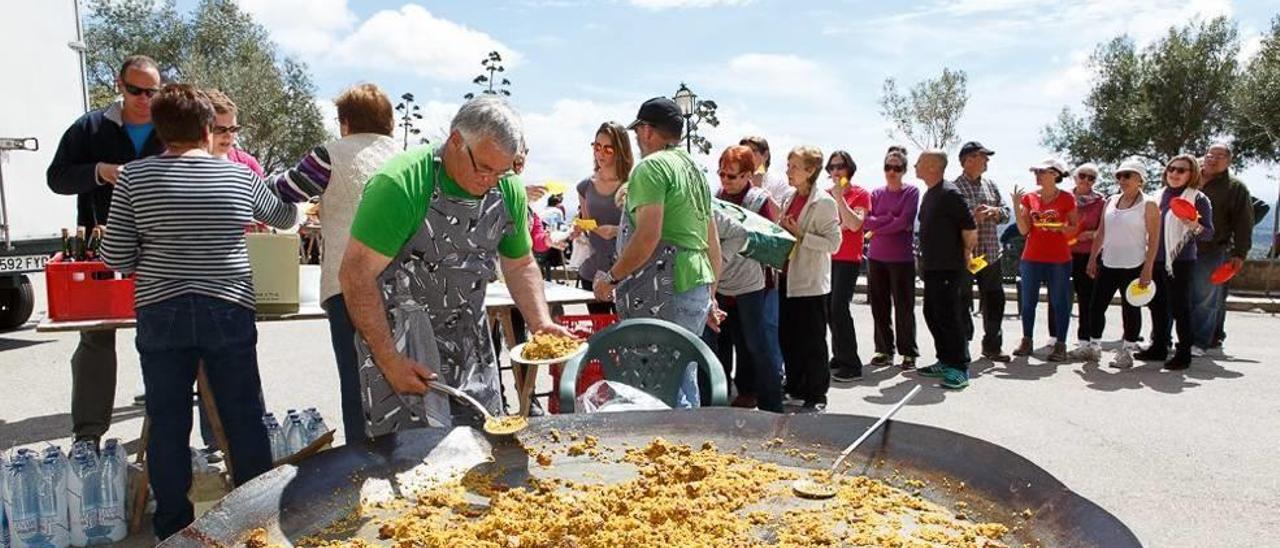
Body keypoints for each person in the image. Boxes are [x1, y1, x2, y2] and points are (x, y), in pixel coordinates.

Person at [99, 84, 296, 539]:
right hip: (227, 306)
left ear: (159, 129)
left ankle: (173, 526)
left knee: (169, 421)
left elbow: (116, 256)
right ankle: (256, 521)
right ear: (208, 129)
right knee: (243, 416)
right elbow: (284, 218)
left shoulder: (134, 178)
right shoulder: (238, 176)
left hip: (161, 307)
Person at [339, 96, 573, 434]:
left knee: (481, 450)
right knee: (409, 458)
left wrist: (540, 323)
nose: (492, 181)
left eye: (503, 171)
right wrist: (389, 361)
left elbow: (520, 263)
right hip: (401, 343)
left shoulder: (507, 189)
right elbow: (355, 275)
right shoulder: (400, 184)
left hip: (470, 342)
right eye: (484, 168)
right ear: (455, 142)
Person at [268, 83, 399, 445]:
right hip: (404, 285)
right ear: (388, 121)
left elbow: (283, 189)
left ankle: (361, 462)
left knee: (356, 383)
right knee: (402, 376)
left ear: (344, 123)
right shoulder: (408, 157)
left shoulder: (330, 154)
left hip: (348, 285)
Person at [46, 55, 165, 448]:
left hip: (159, 248)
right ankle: (88, 434)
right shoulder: (90, 127)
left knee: (163, 335)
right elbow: (57, 177)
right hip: (102, 249)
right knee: (97, 339)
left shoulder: (169, 127)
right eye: (136, 91)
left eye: (153, 92)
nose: (145, 99)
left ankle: (164, 425)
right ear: (120, 84)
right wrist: (99, 171)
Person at [594, 97, 721, 340]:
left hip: (663, 290)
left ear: (647, 130)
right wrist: (710, 297)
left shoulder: (651, 167)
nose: (638, 138)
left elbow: (647, 237)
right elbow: (711, 241)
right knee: (683, 372)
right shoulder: (695, 170)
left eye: (638, 131)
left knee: (654, 376)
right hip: (696, 286)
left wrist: (610, 280)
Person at [709, 145, 783, 412]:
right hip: (721, 283)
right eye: (722, 174)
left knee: (755, 344)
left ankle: (771, 406)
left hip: (750, 283)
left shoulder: (758, 199)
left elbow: (768, 238)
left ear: (747, 175)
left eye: (732, 176)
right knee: (722, 344)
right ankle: (724, 401)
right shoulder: (716, 196)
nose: (725, 181)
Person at [777, 146, 842, 411]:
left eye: (794, 166)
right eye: (788, 165)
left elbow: (834, 244)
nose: (788, 171)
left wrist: (801, 234)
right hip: (786, 278)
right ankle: (794, 385)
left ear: (810, 170)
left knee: (812, 340)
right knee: (788, 336)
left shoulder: (825, 202)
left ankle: (817, 395)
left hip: (811, 283)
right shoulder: (788, 197)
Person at [1136, 154, 1214, 370]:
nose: (1175, 173)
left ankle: (1183, 353)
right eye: (1171, 169)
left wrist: (1191, 224)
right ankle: (1159, 347)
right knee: (1157, 305)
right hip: (1155, 259)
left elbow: (1207, 234)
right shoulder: (1157, 196)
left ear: (1192, 174)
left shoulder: (1198, 199)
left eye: (1181, 170)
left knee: (1180, 308)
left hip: (1180, 261)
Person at [1084, 160, 1161, 368]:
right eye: (1119, 176)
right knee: (1096, 306)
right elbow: (1101, 232)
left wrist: (1148, 268)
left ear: (1140, 180)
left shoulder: (1149, 204)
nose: (1122, 180)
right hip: (1108, 263)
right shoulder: (1111, 201)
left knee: (1131, 310)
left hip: (1134, 265)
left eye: (1128, 175)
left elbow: (1154, 239)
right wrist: (1093, 258)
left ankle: (1127, 351)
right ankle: (1094, 346)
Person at [914, 150, 978, 390]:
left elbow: (969, 228)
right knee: (932, 313)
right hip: (932, 267)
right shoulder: (930, 194)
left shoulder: (950, 193)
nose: (915, 166)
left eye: (919, 163)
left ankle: (959, 367)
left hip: (950, 268)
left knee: (950, 317)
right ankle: (944, 360)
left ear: (932, 166)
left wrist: (966, 255)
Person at [1010, 158, 1077, 362]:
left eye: (1042, 171)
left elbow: (1074, 227)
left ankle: (1060, 345)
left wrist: (1061, 227)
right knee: (1028, 302)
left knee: (1059, 302)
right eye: (1036, 171)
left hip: (1059, 259)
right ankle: (1027, 340)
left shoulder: (1067, 199)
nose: (1037, 175)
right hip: (1031, 258)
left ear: (1055, 175)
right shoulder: (1029, 198)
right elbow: (1023, 230)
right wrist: (1016, 205)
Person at [1192, 143, 1254, 354]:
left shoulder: (1235, 187)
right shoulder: (1190, 178)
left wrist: (1240, 253)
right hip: (1181, 248)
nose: (1213, 159)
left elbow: (1243, 223)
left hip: (1213, 249)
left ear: (1229, 161)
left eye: (1220, 156)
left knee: (1205, 298)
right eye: (1210, 154)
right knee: (1176, 296)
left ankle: (1200, 341)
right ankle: (1164, 338)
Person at [953, 141, 1012, 362]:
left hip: (990, 254)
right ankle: (962, 346)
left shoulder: (991, 185)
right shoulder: (954, 187)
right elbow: (949, 221)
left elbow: (1006, 212)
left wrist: (996, 211)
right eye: (982, 157)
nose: (987, 161)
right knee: (962, 301)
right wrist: (972, 217)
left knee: (995, 300)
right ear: (968, 160)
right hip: (966, 256)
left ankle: (993, 347)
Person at [863, 150, 920, 370]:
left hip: (902, 259)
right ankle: (884, 350)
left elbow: (905, 220)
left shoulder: (912, 192)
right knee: (879, 306)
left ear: (904, 170)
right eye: (888, 167)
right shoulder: (876, 193)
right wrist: (889, 220)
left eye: (897, 168)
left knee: (904, 308)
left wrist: (881, 223)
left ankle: (908, 352)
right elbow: (867, 222)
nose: (892, 172)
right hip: (876, 257)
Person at [574, 122, 632, 315]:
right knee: (600, 336)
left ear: (620, 150)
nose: (600, 153)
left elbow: (643, 227)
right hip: (593, 271)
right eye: (596, 147)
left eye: (608, 148)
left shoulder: (633, 184)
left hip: (626, 271)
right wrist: (577, 229)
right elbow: (587, 224)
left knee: (627, 335)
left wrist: (616, 230)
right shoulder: (584, 186)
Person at [825, 151, 869, 382]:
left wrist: (840, 198)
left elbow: (853, 225)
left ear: (849, 168)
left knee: (839, 307)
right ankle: (839, 356)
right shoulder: (825, 195)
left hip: (848, 258)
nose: (836, 171)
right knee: (829, 309)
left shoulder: (860, 194)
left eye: (840, 166)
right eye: (832, 167)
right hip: (828, 258)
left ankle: (851, 363)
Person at [205, 89, 264, 176]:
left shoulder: (248, 165)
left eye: (233, 129)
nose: (228, 135)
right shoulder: (186, 164)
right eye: (220, 129)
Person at [740, 135, 795, 211]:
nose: (746, 156)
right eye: (743, 152)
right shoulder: (733, 178)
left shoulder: (778, 183)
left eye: (752, 151)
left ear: (765, 155)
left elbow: (780, 216)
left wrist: (760, 191)